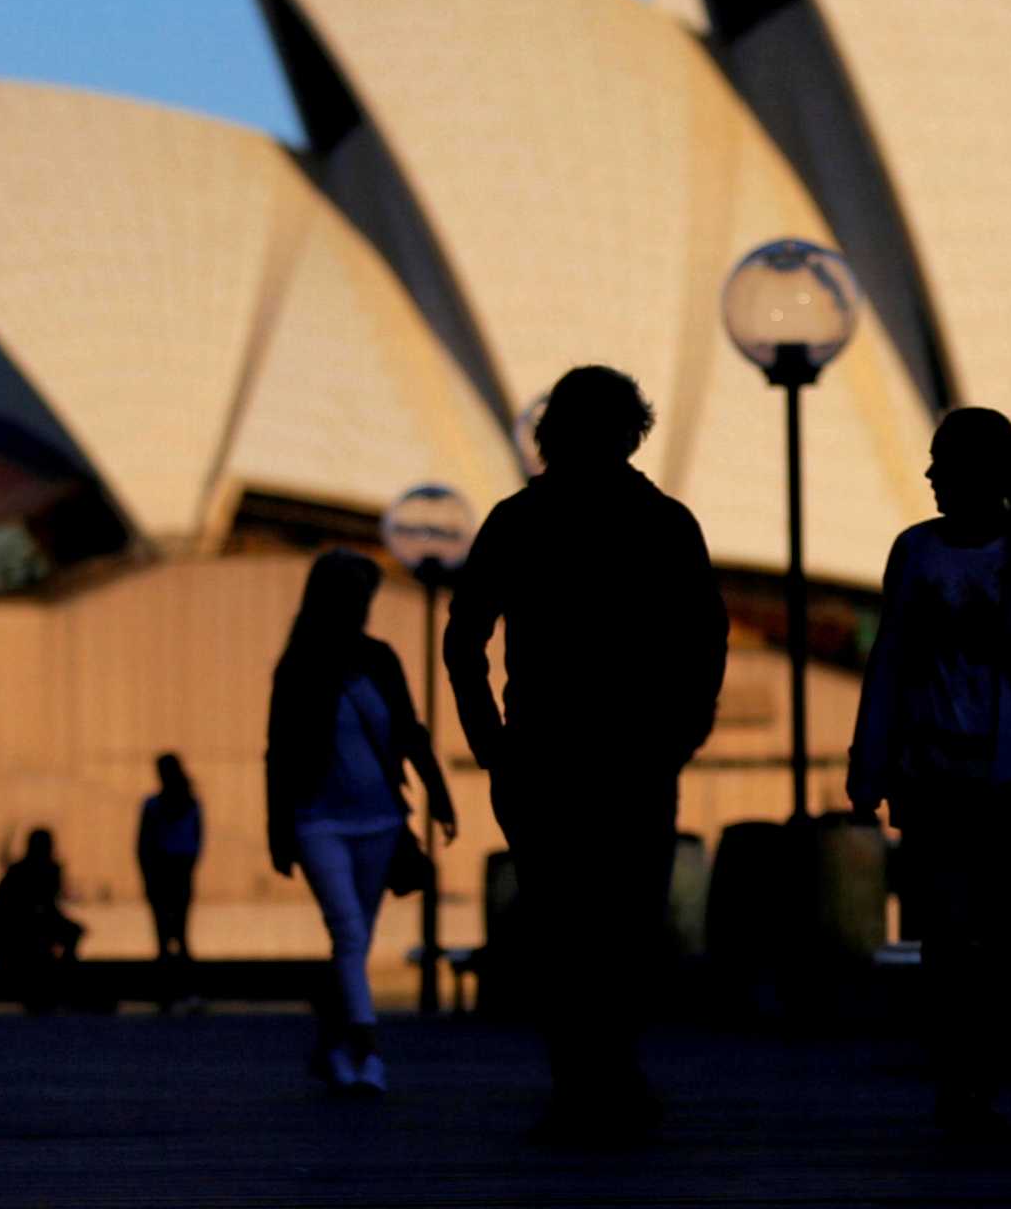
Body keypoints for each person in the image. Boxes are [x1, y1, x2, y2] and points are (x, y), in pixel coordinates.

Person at [446, 365, 728, 1145]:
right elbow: (708, 636)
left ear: (550, 433)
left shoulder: (517, 520)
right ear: (631, 432)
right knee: (626, 924)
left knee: (563, 927)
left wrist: (490, 746)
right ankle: (615, 1075)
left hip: (543, 758)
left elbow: (462, 639)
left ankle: (580, 1081)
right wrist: (685, 730)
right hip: (636, 757)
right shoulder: (665, 522)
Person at [848, 406, 1011, 1141]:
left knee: (995, 935)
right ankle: (961, 1081)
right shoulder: (917, 553)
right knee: (947, 929)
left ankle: (978, 1077)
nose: (931, 476)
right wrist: (868, 764)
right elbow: (891, 663)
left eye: (944, 463)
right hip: (934, 773)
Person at [265, 547, 458, 1097]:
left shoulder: (380, 660)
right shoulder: (299, 667)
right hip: (318, 821)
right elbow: (277, 753)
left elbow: (409, 730)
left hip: (379, 821)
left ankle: (334, 1048)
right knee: (348, 931)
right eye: (355, 597)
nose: (363, 608)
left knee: (353, 942)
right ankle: (370, 1052)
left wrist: (437, 792)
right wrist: (278, 832)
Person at [0, 826, 86, 1012]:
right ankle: (64, 987)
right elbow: (37, 911)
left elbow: (43, 910)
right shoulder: (33, 872)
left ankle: (63, 985)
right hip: (14, 935)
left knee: (63, 935)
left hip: (15, 933)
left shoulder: (23, 871)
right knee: (56, 937)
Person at [136, 752, 203, 1009]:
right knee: (173, 936)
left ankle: (174, 991)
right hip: (169, 871)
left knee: (171, 936)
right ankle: (175, 991)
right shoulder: (163, 805)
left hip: (170, 871)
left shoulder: (159, 806)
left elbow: (144, 843)